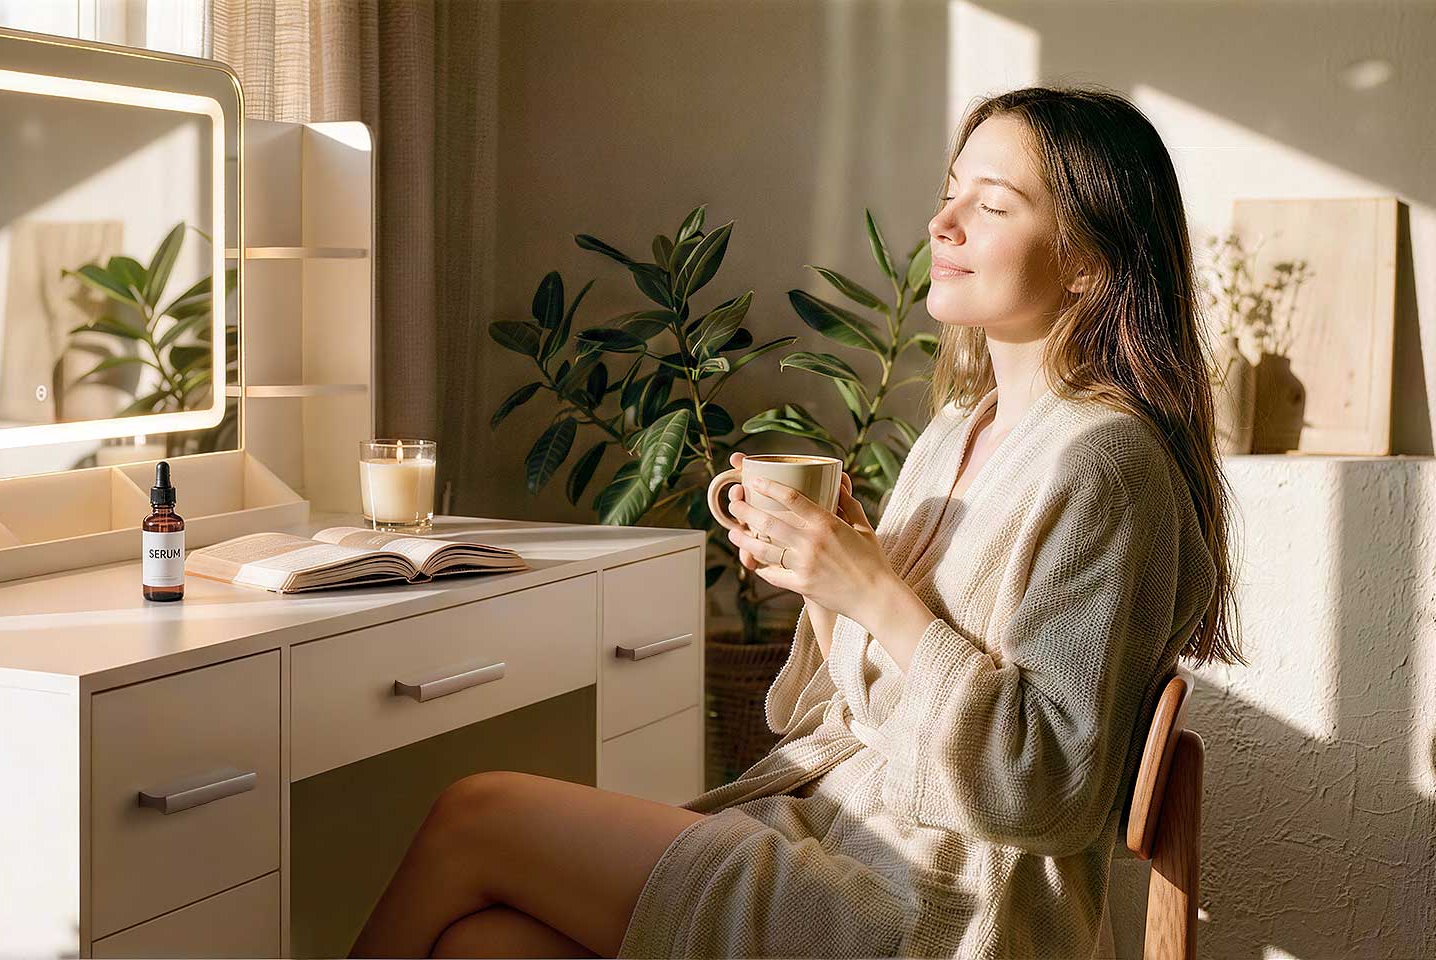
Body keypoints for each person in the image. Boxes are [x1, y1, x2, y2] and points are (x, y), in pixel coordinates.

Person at [347, 85, 1241, 959]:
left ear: (1089, 261)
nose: (944, 224)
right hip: (846, 834)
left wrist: (872, 588)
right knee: (486, 942)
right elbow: (856, 702)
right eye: (948, 194)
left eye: (993, 205)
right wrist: (827, 580)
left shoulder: (1105, 464)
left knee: (476, 815)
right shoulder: (956, 433)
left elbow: (1043, 791)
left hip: (942, 904)